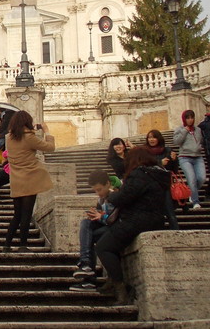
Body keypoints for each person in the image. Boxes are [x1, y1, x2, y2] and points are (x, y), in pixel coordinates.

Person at [95, 147, 170, 304]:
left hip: (137, 220)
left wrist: (111, 194)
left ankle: (121, 289)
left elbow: (124, 197)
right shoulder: (159, 174)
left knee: (103, 246)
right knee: (108, 240)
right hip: (155, 218)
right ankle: (112, 279)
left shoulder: (140, 174)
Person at [4, 111, 55, 252]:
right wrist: (46, 131)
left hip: (16, 180)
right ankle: (22, 245)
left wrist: (30, 130)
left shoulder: (9, 138)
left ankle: (7, 244)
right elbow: (50, 148)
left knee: (17, 215)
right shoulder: (29, 138)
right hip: (30, 178)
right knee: (26, 214)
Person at [69, 170, 117, 292]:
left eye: (99, 189)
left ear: (107, 184)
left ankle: (86, 267)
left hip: (116, 229)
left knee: (88, 235)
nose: (98, 193)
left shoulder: (115, 196)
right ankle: (86, 268)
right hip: (106, 227)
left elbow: (117, 219)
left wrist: (101, 216)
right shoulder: (102, 200)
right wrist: (96, 215)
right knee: (86, 224)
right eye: (95, 190)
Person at [141, 129, 179, 229]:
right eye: (149, 137)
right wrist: (159, 163)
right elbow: (143, 167)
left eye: (154, 137)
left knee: (169, 211)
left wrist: (175, 160)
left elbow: (174, 169)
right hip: (150, 186)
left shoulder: (167, 150)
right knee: (155, 213)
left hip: (164, 185)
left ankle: (176, 232)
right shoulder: (144, 152)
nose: (151, 139)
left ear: (159, 138)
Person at [173, 110, 206, 210]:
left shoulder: (198, 130)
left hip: (198, 156)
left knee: (201, 178)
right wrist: (185, 131)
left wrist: (200, 146)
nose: (190, 120)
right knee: (191, 179)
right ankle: (196, 202)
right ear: (184, 119)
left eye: (192, 117)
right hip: (185, 157)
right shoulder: (179, 129)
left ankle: (192, 192)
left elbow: (201, 140)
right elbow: (176, 142)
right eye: (188, 118)